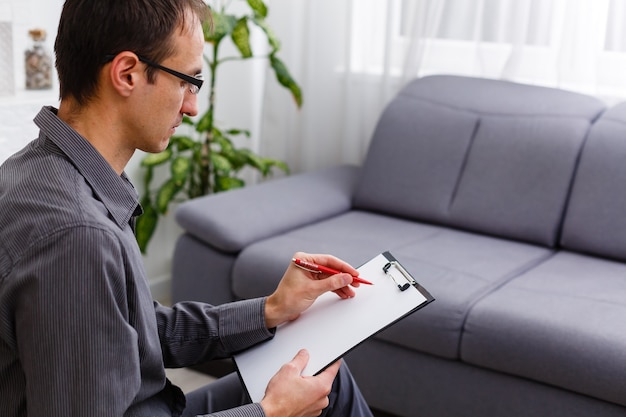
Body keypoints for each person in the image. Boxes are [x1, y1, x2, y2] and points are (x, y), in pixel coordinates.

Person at [0, 1, 375, 416]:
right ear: (127, 73)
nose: (192, 107)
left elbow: (137, 333)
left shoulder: (37, 172)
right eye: (187, 81)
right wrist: (271, 413)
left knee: (329, 380)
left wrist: (271, 309)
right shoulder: (77, 237)